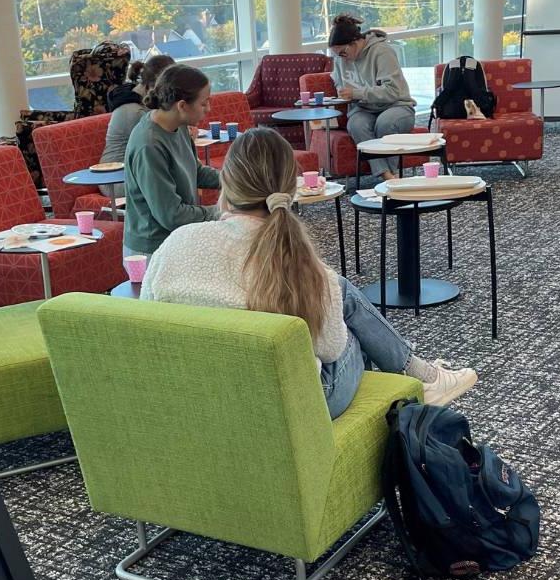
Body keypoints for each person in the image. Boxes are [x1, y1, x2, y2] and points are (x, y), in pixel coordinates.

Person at [140, 127, 478, 418]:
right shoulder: (303, 268)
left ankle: (420, 375)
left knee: (340, 297)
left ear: (225, 182)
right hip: (293, 407)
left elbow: (146, 321)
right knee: (351, 327)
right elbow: (331, 349)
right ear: (291, 188)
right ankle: (420, 378)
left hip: (196, 397)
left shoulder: (175, 244)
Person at [123, 64, 220, 257]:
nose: (208, 109)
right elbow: (171, 215)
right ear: (182, 106)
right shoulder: (149, 145)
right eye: (203, 103)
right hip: (152, 250)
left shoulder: (180, 125)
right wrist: (223, 212)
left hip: (177, 240)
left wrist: (241, 181)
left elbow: (196, 172)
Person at [327, 14, 416, 182]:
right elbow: (338, 80)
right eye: (336, 55)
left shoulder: (382, 52)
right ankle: (387, 176)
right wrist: (342, 92)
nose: (340, 58)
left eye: (343, 53)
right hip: (364, 108)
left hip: (396, 105)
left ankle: (391, 177)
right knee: (356, 125)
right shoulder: (341, 59)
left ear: (354, 43)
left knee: (386, 123)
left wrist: (357, 93)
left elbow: (393, 91)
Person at [98, 54, 174, 198]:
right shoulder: (134, 112)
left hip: (134, 172)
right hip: (116, 180)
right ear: (153, 85)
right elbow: (159, 146)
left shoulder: (140, 102)